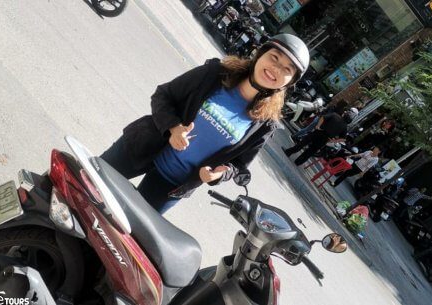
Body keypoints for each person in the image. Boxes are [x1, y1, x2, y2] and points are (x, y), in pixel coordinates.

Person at [100, 34, 310, 213]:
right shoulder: (214, 74)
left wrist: (220, 174)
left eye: (287, 70)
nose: (276, 69)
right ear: (260, 54)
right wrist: (173, 127)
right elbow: (163, 95)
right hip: (140, 148)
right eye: (274, 57)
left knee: (122, 239)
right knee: (86, 186)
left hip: (171, 185)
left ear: (289, 82)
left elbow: (239, 166)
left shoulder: (265, 125)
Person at [283, 109, 356, 166]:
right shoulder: (344, 127)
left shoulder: (335, 115)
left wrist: (318, 126)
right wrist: (333, 141)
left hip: (319, 132)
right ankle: (298, 162)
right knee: (311, 151)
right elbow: (343, 138)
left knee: (303, 143)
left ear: (345, 114)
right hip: (325, 139)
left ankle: (289, 152)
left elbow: (323, 118)